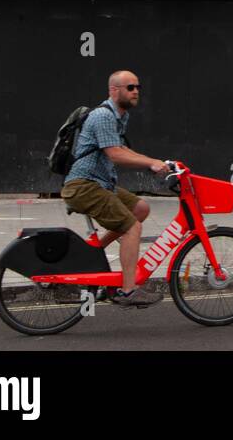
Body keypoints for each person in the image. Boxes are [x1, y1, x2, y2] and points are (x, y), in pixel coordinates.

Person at [62, 70, 170, 307]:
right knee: (132, 227)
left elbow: (123, 149)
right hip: (83, 186)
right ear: (114, 90)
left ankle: (93, 252)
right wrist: (150, 162)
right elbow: (116, 154)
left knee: (140, 209)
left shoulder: (120, 117)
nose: (135, 92)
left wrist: (157, 162)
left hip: (100, 184)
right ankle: (128, 291)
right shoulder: (103, 115)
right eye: (130, 87)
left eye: (138, 88)